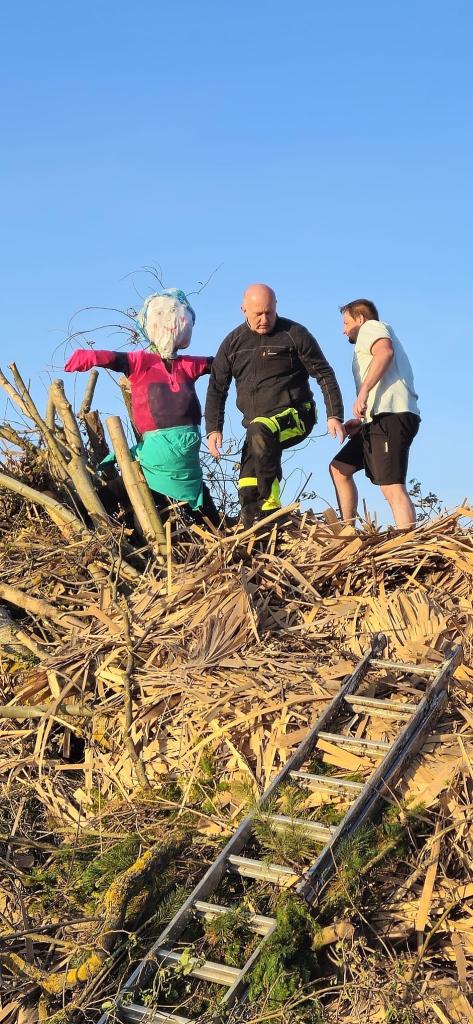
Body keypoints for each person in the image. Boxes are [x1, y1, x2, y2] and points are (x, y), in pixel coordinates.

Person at [64, 288, 221, 525]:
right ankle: (79, 515)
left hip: (187, 456)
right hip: (156, 453)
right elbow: (115, 359)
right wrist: (92, 356)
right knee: (132, 486)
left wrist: (246, 358)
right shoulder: (141, 362)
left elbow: (220, 364)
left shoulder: (189, 365)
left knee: (192, 491)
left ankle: (214, 527)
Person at [205, 283, 345, 526]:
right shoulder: (232, 343)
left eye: (269, 312)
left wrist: (334, 415)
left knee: (261, 430)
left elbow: (324, 374)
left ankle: (270, 509)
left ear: (276, 306)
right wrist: (213, 428)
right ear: (243, 310)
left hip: (297, 415)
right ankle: (253, 523)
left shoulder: (294, 333)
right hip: (257, 428)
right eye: (258, 314)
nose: (264, 319)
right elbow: (217, 386)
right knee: (248, 478)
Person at [330, 299, 420, 528]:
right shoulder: (369, 335)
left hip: (391, 417)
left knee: (391, 486)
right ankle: (347, 530)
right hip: (377, 420)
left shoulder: (371, 327)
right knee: (340, 468)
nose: (343, 330)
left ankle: (408, 541)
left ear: (360, 319)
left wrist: (363, 392)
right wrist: (362, 421)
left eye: (346, 323)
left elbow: (385, 352)